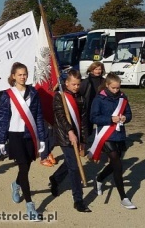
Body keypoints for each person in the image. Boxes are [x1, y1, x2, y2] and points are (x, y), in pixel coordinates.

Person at [0, 62, 45, 221]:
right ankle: (30, 206)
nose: (23, 77)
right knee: (23, 166)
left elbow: (38, 117)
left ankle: (16, 185)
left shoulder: (33, 93)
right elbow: (2, 118)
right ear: (13, 76)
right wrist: (1, 140)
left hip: (29, 134)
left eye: (25, 74)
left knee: (26, 167)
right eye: (20, 74)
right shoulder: (8, 94)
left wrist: (41, 138)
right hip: (14, 135)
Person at [89, 72, 136, 209]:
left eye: (118, 88)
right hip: (106, 135)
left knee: (115, 163)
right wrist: (110, 119)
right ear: (107, 85)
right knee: (117, 163)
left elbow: (129, 114)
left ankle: (99, 178)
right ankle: (124, 197)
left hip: (119, 134)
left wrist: (124, 118)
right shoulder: (99, 99)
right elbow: (94, 118)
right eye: (113, 88)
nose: (116, 90)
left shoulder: (123, 97)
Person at [49, 69, 91, 212]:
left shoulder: (81, 98)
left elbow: (84, 121)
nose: (76, 87)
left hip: (77, 135)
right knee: (74, 166)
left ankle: (55, 178)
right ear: (66, 83)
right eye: (73, 84)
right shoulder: (59, 97)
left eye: (78, 84)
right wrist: (70, 131)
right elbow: (60, 116)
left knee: (69, 161)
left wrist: (83, 140)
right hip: (64, 135)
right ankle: (78, 200)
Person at [79, 61, 105, 136]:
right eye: (96, 69)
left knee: (101, 128)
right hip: (89, 107)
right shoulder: (86, 81)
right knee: (88, 128)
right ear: (91, 70)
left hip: (101, 106)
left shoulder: (104, 81)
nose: (98, 71)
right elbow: (80, 93)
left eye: (99, 69)